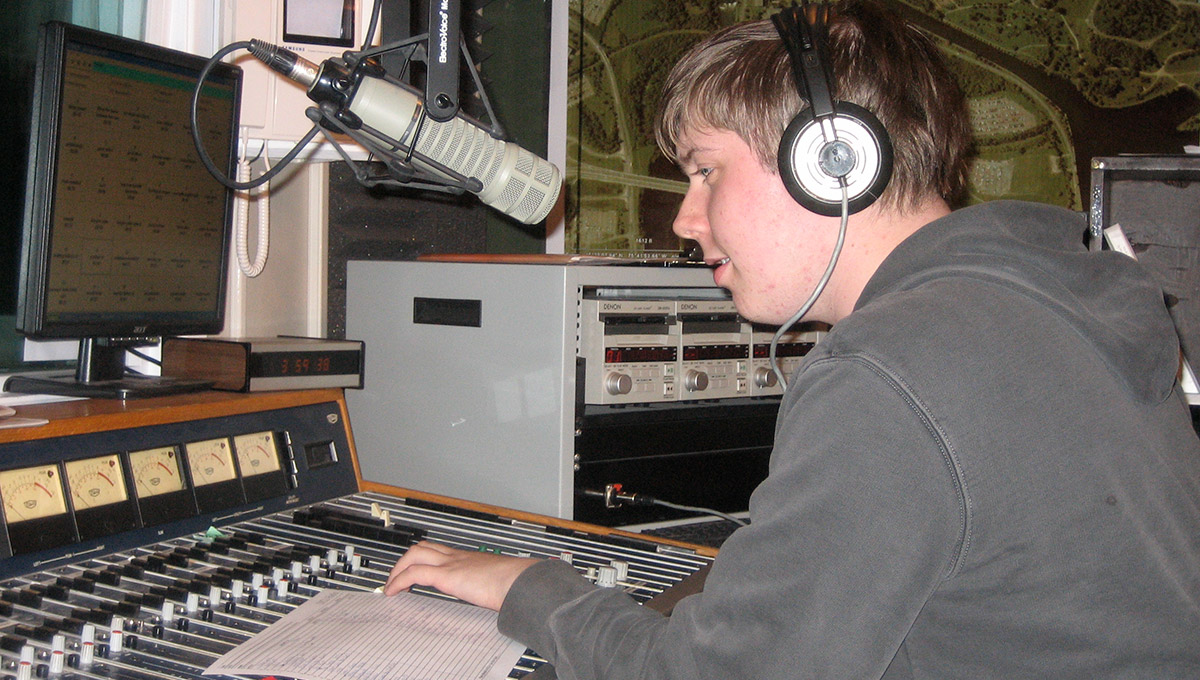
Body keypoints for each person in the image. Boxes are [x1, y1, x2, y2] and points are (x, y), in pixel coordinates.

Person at [385, 1, 1200, 677]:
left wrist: (537, 588)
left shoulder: (894, 369)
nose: (683, 217)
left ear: (831, 163)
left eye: (705, 169)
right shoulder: (1043, 299)